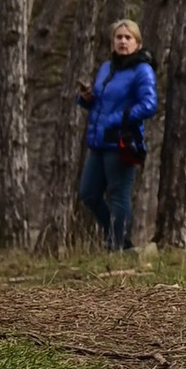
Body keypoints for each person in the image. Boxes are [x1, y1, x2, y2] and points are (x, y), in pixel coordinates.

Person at [79, 17, 158, 254]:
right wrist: (87, 100)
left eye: (128, 37)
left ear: (137, 43)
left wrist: (118, 118)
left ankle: (118, 246)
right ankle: (119, 241)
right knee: (89, 193)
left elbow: (149, 104)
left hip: (122, 140)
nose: (123, 41)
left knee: (118, 194)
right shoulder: (107, 68)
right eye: (119, 37)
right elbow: (102, 102)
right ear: (112, 42)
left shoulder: (142, 70)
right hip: (99, 140)